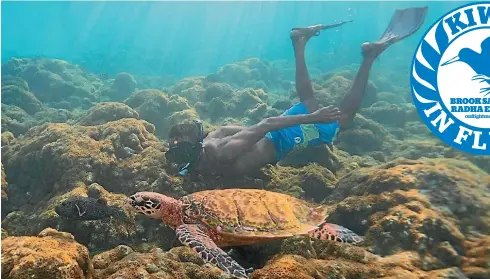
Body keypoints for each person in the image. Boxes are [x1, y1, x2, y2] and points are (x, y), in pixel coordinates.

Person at [165, 7, 428, 177]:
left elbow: (265, 123)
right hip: (281, 135)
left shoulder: (222, 152)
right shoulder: (211, 140)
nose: (181, 163)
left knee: (343, 119)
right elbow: (240, 127)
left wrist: (313, 119)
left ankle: (369, 56)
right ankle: (298, 43)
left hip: (286, 136)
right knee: (308, 100)